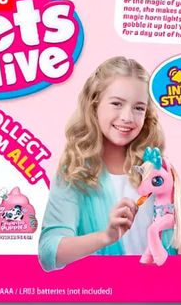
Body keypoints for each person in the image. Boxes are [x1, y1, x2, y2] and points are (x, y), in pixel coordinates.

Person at [38, 56, 165, 271]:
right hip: (106, 287)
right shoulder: (75, 172)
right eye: (116, 103)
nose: (127, 117)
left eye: (139, 108)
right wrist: (106, 236)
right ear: (94, 103)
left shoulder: (155, 169)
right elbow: (49, 253)